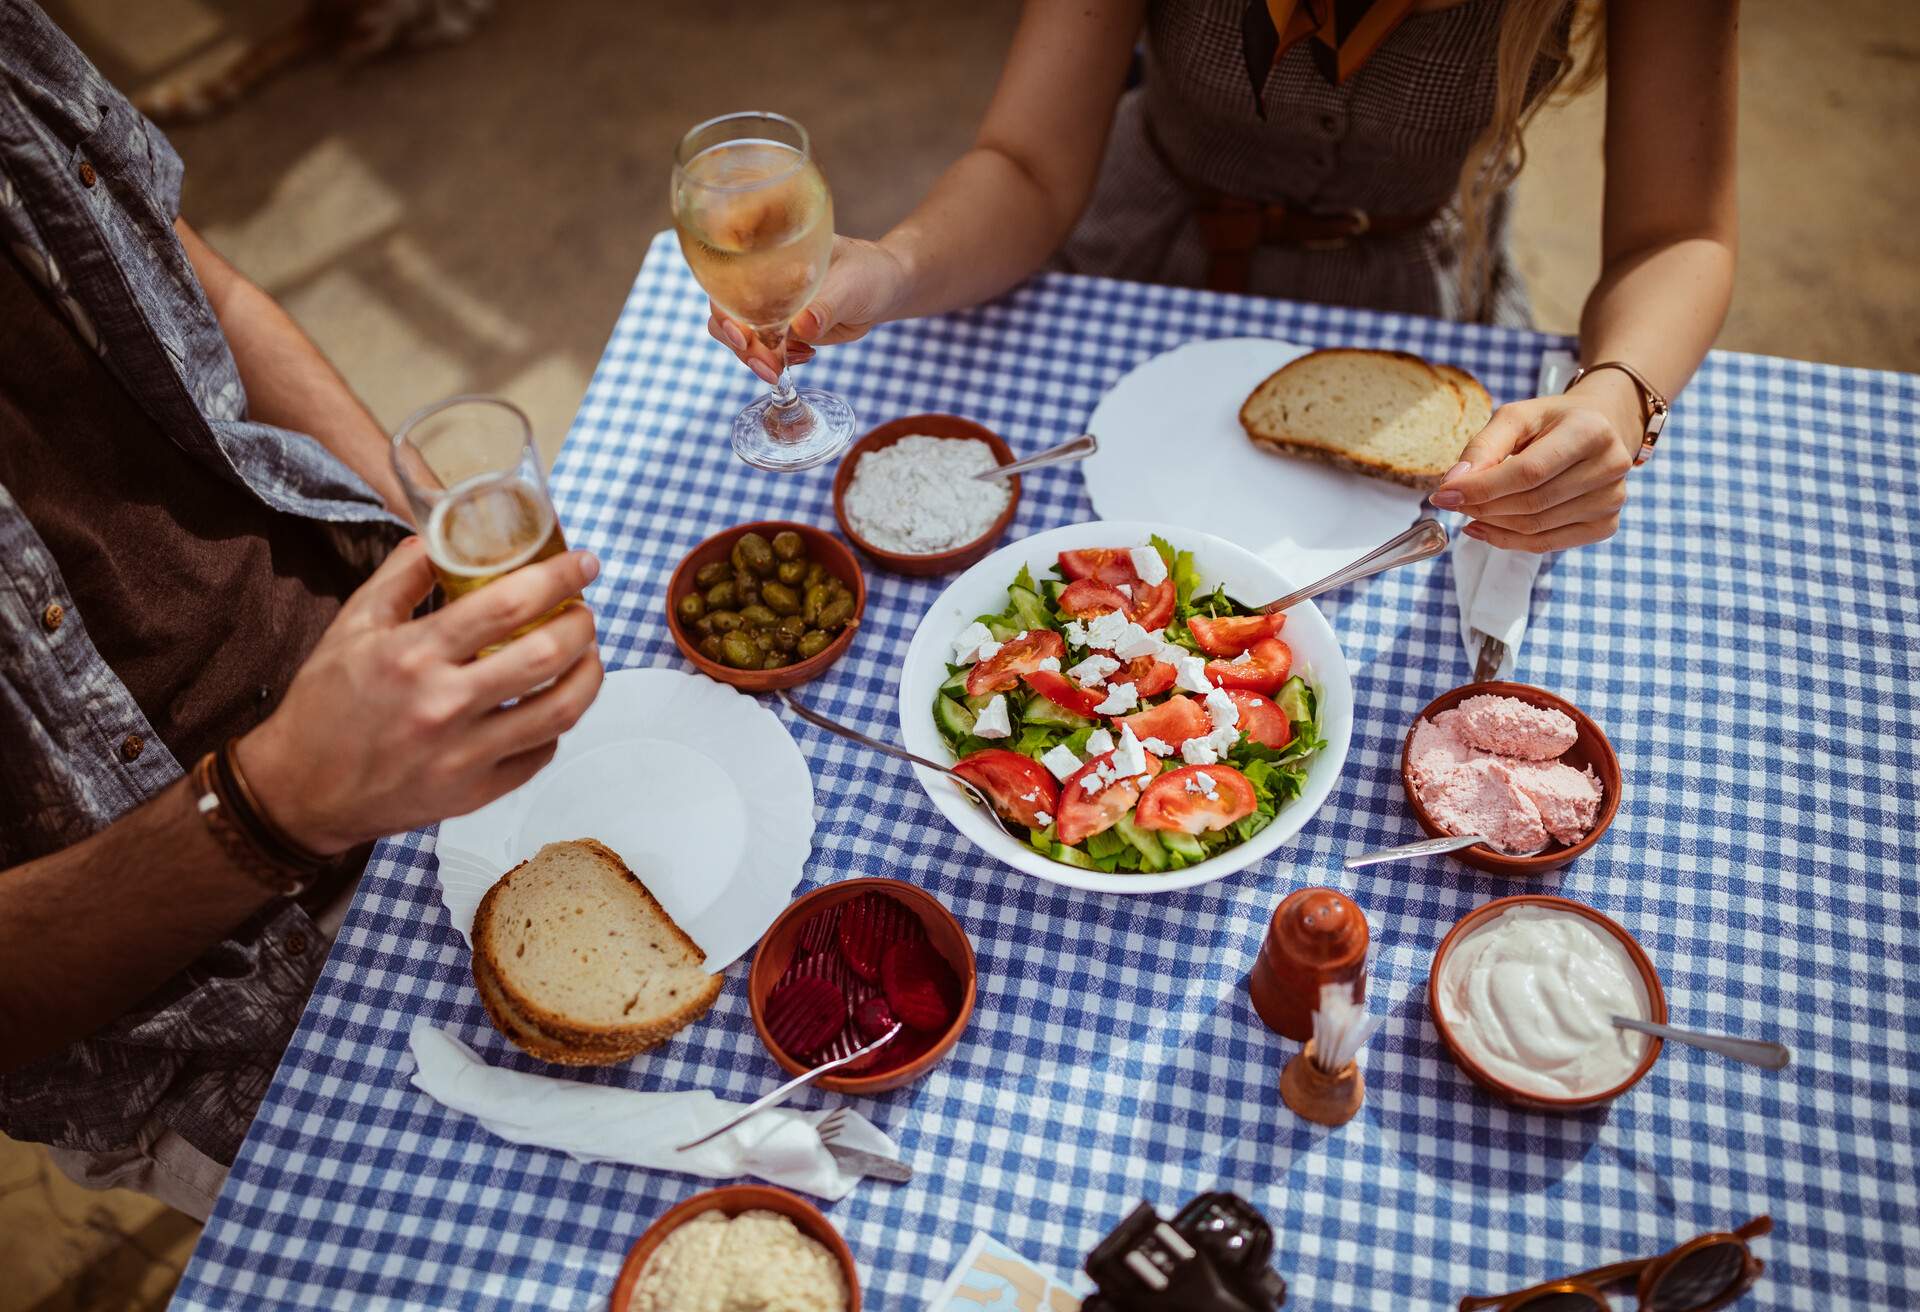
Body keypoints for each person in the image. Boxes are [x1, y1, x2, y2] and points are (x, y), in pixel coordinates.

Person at [0, 0, 603, 1219]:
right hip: (209, 995)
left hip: (394, 703)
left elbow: (184, 277)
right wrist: (277, 805)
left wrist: (426, 539)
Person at [711, 0, 1737, 553]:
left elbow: (1675, 234)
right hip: (1128, 256)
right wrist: (892, 267)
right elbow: (1026, 167)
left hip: (1409, 305)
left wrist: (1618, 393)